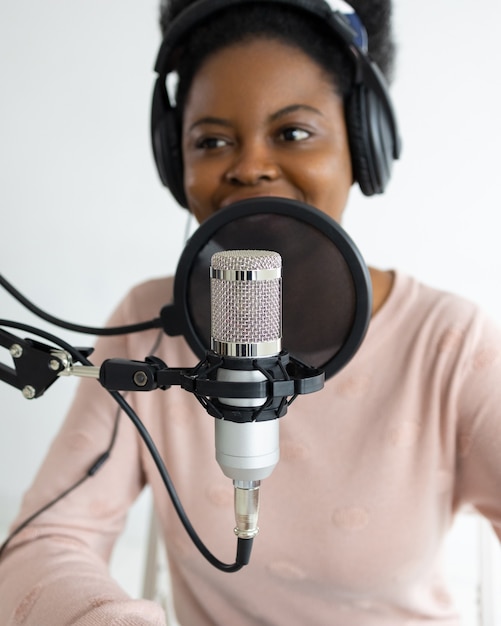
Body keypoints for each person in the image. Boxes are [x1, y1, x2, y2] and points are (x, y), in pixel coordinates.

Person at [1, 0, 500, 624]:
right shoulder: (149, 328)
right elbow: (47, 540)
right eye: (212, 140)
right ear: (173, 159)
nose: (250, 166)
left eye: (292, 132)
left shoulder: (448, 343)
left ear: (363, 147)